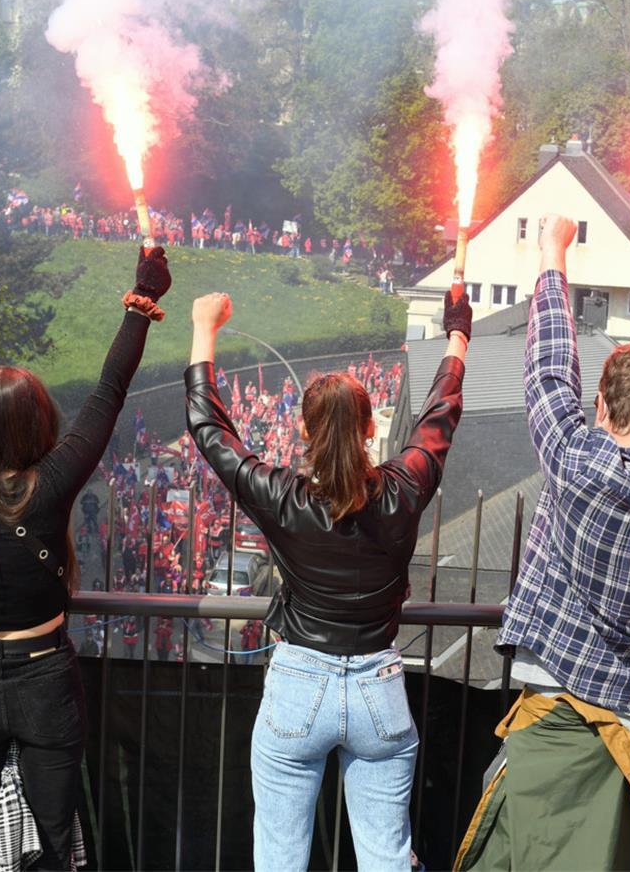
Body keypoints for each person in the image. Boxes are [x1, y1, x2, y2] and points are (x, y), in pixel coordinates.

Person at [456, 217, 630, 872]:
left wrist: (552, 255)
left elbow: (548, 370)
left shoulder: (577, 460)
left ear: (600, 407)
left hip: (563, 716)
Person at [185, 287, 471, 872]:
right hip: (379, 687)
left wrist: (203, 331)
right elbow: (441, 413)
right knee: (387, 860)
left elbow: (211, 433)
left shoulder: (284, 499)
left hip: (298, 685)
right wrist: (457, 333)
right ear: (370, 429)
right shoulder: (404, 488)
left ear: (306, 432)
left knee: (281, 859)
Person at [0, 249, 170, 870]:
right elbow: (107, 396)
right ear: (38, 422)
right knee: (54, 843)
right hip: (45, 676)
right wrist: (140, 300)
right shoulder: (51, 483)